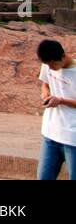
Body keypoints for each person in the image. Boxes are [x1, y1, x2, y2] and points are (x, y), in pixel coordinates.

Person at [36, 38, 76, 180]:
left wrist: (61, 100)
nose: (50, 68)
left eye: (53, 64)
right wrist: (45, 93)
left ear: (63, 56)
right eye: (47, 65)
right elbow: (45, 83)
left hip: (72, 138)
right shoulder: (47, 63)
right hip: (50, 133)